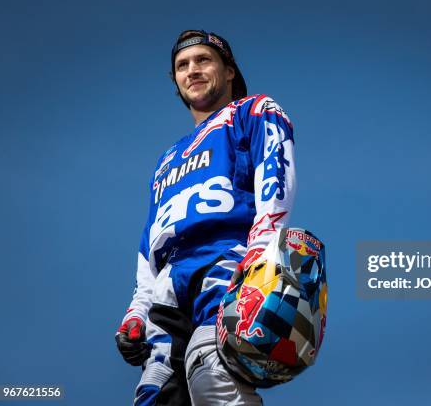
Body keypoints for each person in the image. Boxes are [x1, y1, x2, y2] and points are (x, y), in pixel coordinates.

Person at [115, 29, 296, 406]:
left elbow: (275, 171)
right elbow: (151, 239)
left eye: (203, 60)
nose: (192, 70)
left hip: (228, 260)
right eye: (183, 65)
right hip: (169, 285)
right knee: (154, 391)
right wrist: (137, 309)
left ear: (229, 71)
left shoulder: (252, 111)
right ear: (175, 80)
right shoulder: (167, 159)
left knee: (212, 373)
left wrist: (262, 251)